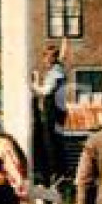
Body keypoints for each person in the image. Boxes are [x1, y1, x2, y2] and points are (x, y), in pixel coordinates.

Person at [31, 44, 69, 186]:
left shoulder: (55, 73)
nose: (44, 61)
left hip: (53, 113)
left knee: (51, 142)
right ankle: (60, 172)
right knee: (56, 140)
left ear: (52, 58)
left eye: (46, 57)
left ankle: (55, 173)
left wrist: (33, 84)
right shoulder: (59, 69)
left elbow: (46, 91)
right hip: (59, 112)